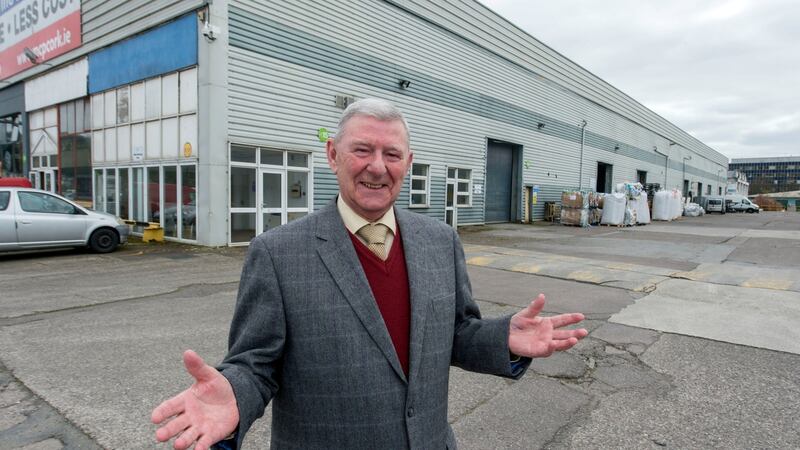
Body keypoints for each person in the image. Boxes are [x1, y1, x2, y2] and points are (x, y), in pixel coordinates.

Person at [151, 98, 588, 449]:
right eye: (362, 150)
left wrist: (502, 338)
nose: (377, 166)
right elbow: (256, 363)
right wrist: (235, 394)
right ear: (333, 155)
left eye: (391, 154)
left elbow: (453, 333)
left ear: (407, 162)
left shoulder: (440, 241)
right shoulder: (277, 253)